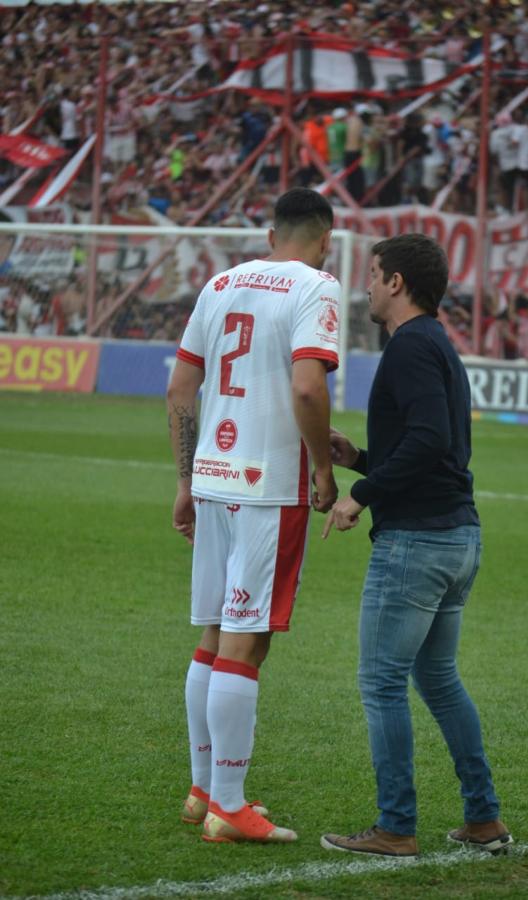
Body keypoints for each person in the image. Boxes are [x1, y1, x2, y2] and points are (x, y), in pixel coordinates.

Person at [319, 234, 512, 858]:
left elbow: (429, 440)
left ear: (396, 282)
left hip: (418, 544)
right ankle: (482, 818)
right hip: (456, 536)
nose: (366, 286)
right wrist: (361, 462)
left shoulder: (409, 347)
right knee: (439, 681)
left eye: (373, 275)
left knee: (381, 682)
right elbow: (436, 449)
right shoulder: (437, 345)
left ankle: (396, 826)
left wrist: (362, 492)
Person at [166, 187, 340, 845]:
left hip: (212, 480)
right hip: (269, 487)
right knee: (246, 641)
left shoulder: (219, 284)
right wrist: (323, 470)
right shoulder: (316, 286)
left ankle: (204, 789)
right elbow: (305, 384)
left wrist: (185, 479)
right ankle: (230, 808)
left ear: (271, 234)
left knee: (212, 635)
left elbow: (182, 386)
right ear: (324, 237)